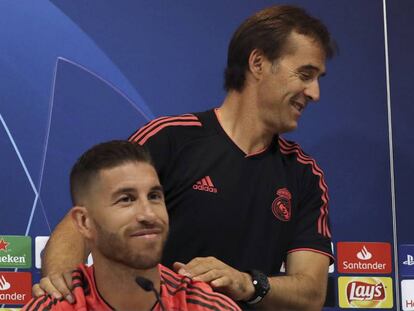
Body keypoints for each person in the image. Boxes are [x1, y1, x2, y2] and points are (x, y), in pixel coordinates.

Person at [33, 5, 336, 310]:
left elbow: (310, 293)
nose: (315, 92)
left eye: (317, 78)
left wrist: (247, 283)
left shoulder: (304, 174)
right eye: (305, 74)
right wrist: (64, 291)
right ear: (258, 63)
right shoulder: (169, 139)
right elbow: (78, 227)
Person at [24, 141, 240, 311]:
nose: (148, 214)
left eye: (155, 196)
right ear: (84, 222)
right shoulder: (54, 308)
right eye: (126, 199)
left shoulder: (209, 307)